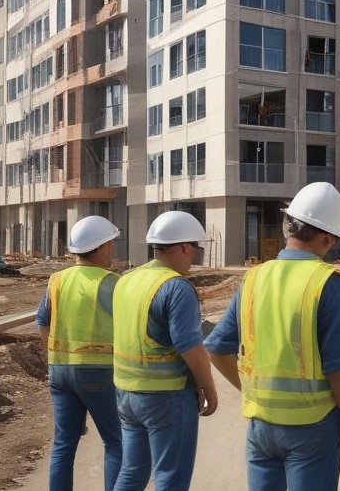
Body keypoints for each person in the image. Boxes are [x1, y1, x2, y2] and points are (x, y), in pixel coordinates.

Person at [205, 182, 340, 491]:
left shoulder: (253, 278)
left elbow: (216, 348)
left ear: (287, 227)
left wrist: (251, 392)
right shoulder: (328, 284)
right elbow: (339, 368)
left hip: (261, 425)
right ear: (326, 237)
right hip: (311, 426)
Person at [112, 210, 218, 491]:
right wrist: (209, 388)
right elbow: (190, 346)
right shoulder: (176, 287)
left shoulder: (126, 280)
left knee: (132, 473)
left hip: (126, 392)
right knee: (170, 478)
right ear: (183, 247)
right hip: (166, 396)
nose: (194, 258)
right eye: (195, 249)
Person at [36, 215, 123, 491]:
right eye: (111, 243)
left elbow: (43, 323)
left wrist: (55, 359)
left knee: (63, 445)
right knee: (116, 442)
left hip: (60, 371)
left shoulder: (57, 280)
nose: (113, 248)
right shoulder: (112, 282)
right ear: (101, 247)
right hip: (99, 372)